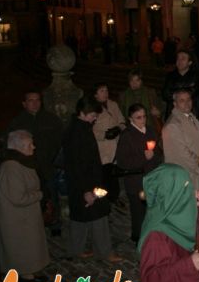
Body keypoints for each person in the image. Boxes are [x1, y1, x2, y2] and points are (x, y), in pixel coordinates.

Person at [139, 164, 199, 282]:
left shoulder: (175, 215)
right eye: (184, 188)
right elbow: (151, 278)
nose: (190, 192)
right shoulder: (156, 236)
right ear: (172, 194)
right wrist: (190, 265)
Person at [63, 96, 121, 262]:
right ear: (82, 113)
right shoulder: (77, 133)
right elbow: (76, 165)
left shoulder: (80, 127)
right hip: (87, 183)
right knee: (98, 216)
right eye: (92, 115)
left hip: (84, 182)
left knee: (80, 216)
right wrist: (86, 190)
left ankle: (77, 249)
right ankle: (104, 252)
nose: (95, 118)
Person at [0, 130, 50, 282]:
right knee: (21, 246)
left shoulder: (22, 162)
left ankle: (30, 269)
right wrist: (39, 194)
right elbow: (17, 197)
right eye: (29, 144)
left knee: (29, 245)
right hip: (17, 218)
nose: (33, 147)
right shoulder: (11, 168)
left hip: (26, 215)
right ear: (18, 148)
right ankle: (24, 274)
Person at [7, 90, 64, 235]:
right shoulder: (17, 122)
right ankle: (34, 227)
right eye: (31, 100)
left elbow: (60, 141)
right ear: (24, 104)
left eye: (37, 100)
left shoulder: (51, 119)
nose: (35, 103)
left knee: (51, 195)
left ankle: (54, 224)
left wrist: (53, 159)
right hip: (28, 167)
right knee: (32, 199)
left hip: (47, 165)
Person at [115, 103, 163, 243]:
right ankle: (139, 240)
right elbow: (122, 161)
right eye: (138, 117)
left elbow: (158, 152)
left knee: (152, 212)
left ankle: (153, 238)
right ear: (131, 119)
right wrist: (143, 157)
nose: (142, 120)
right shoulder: (127, 136)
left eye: (144, 116)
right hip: (136, 182)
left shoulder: (149, 130)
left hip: (151, 179)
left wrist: (156, 156)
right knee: (139, 214)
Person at [163, 90, 199, 190]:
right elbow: (181, 154)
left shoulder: (192, 118)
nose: (187, 103)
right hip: (187, 175)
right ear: (175, 104)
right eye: (182, 100)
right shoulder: (173, 125)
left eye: (188, 99)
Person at [92, 83, 126, 205]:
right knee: (104, 174)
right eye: (101, 91)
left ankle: (115, 197)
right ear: (95, 95)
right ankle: (105, 199)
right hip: (103, 147)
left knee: (113, 173)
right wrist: (104, 135)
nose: (105, 93)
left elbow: (121, 120)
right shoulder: (93, 107)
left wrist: (118, 128)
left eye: (106, 90)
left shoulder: (113, 105)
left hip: (115, 144)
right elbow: (91, 129)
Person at [163, 50, 199, 120]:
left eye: (183, 59)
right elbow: (165, 94)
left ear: (190, 62)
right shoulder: (170, 76)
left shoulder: (195, 76)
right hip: (173, 113)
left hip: (191, 113)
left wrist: (175, 92)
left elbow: (192, 92)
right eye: (178, 58)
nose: (179, 61)